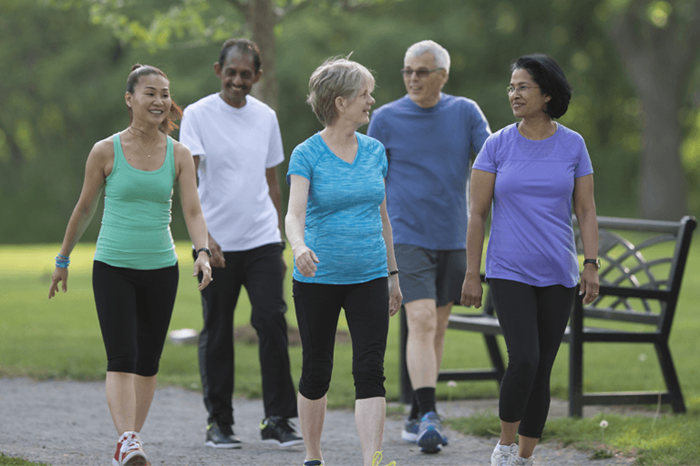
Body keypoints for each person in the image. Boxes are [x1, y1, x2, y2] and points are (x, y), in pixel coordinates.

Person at [48, 64, 213, 466]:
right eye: (149, 93)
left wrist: (202, 251)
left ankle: (129, 441)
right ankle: (128, 440)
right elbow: (85, 208)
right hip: (113, 267)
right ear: (130, 98)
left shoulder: (179, 154)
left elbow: (192, 209)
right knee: (122, 356)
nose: (159, 101)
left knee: (148, 362)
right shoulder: (105, 150)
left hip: (161, 269)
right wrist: (63, 259)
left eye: (164, 94)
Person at [461, 53, 600, 466]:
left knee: (542, 368)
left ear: (547, 94)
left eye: (523, 86)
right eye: (511, 87)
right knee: (524, 358)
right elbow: (477, 213)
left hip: (558, 272)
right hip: (509, 270)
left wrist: (590, 263)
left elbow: (587, 211)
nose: (513, 94)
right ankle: (503, 447)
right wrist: (473, 272)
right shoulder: (497, 144)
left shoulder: (573, 144)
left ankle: (524, 456)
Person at [367, 39, 491, 453]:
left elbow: (491, 161)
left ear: (443, 75)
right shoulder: (384, 119)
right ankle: (430, 415)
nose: (413, 79)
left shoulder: (465, 112)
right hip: (405, 235)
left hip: (454, 237)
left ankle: (417, 411)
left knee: (435, 328)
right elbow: (372, 181)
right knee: (419, 321)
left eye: (422, 71)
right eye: (407, 71)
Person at [178, 38, 302, 449]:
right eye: (230, 72)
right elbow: (188, 183)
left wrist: (282, 237)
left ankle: (278, 418)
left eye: (245, 74)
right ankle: (219, 422)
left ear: (257, 77)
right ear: (219, 71)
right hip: (216, 245)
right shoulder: (197, 114)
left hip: (263, 239)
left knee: (271, 321)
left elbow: (272, 183)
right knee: (217, 329)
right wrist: (204, 240)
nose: (237, 80)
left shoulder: (266, 117)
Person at [286, 57, 402, 466]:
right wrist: (299, 247)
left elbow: (383, 216)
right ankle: (313, 456)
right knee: (317, 369)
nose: (372, 100)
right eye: (365, 94)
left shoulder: (374, 151)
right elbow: (294, 214)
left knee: (370, 368)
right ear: (340, 102)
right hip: (318, 278)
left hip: (369, 275)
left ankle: (372, 458)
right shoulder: (307, 153)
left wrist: (393, 274)